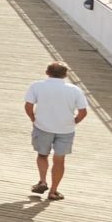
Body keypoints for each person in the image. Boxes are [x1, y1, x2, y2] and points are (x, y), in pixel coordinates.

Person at [24, 62, 91, 201]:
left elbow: (28, 105)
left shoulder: (37, 86)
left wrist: (33, 118)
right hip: (65, 130)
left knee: (42, 155)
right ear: (65, 75)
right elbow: (83, 112)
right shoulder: (74, 90)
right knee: (59, 161)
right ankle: (53, 191)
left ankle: (42, 181)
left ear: (47, 72)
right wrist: (74, 121)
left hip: (42, 127)